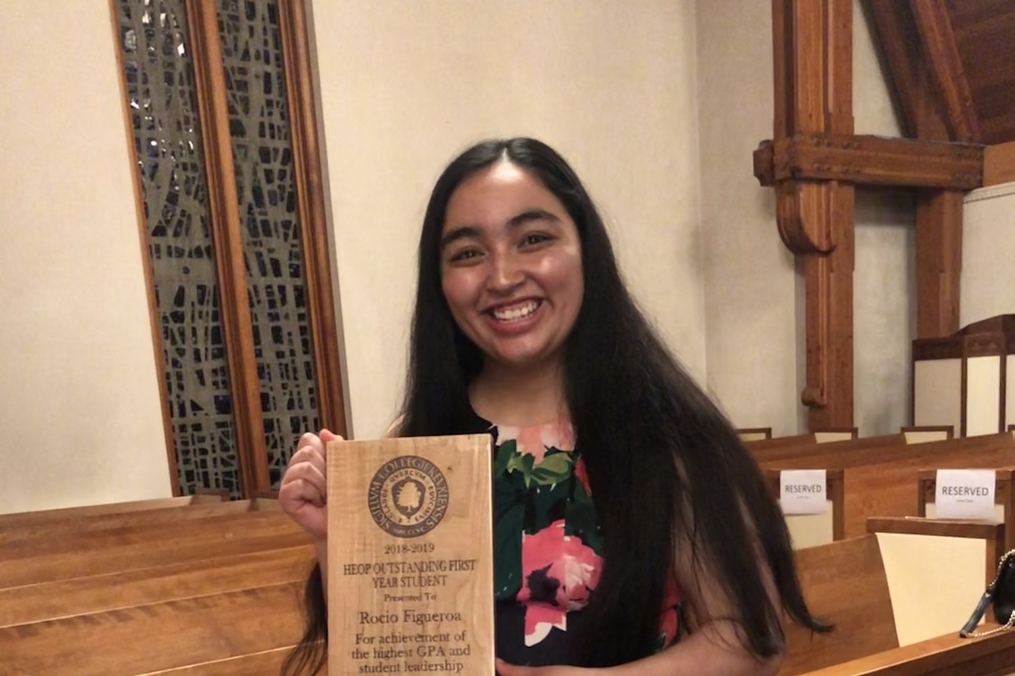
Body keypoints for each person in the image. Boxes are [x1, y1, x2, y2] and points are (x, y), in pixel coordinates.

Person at [278, 137, 828, 676]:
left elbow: (752, 641)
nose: (501, 277)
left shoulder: (668, 435)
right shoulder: (416, 440)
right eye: (468, 253)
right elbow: (384, 658)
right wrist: (338, 535)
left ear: (585, 250)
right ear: (439, 281)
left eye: (533, 238)